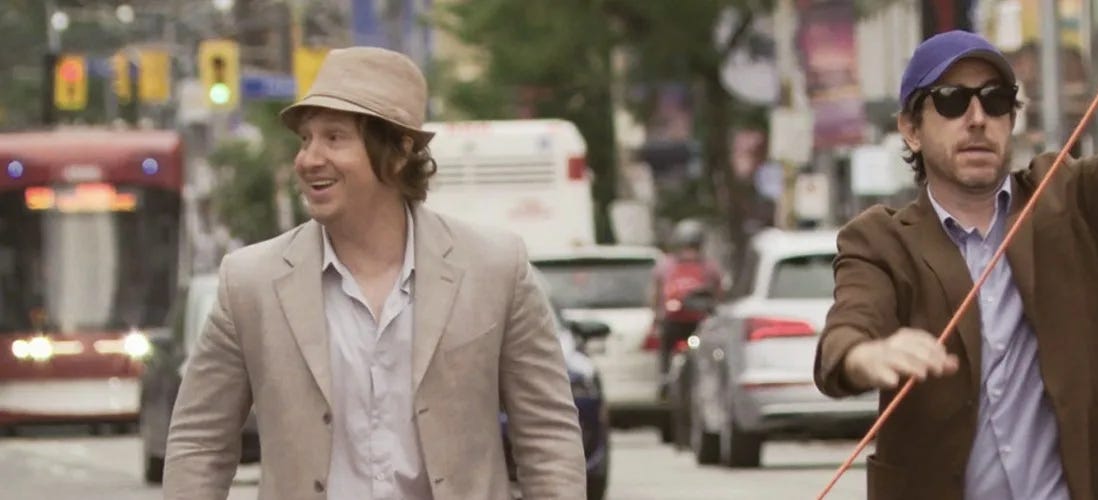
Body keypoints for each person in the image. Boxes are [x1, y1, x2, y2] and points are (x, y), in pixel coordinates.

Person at [163, 47, 585, 500]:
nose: (308, 159)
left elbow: (547, 434)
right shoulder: (250, 282)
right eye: (306, 139)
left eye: (335, 137)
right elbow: (199, 442)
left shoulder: (494, 268)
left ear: (399, 150)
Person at [815, 16, 1098, 500]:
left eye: (995, 100)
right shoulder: (880, 240)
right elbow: (848, 326)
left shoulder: (1072, 199)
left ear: (1011, 120)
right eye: (952, 100)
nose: (977, 118)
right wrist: (864, 354)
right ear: (911, 129)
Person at [650, 219, 723, 378]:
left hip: (699, 323)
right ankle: (664, 376)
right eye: (686, 246)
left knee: (711, 350)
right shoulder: (666, 266)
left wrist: (714, 310)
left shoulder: (709, 267)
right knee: (665, 345)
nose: (689, 252)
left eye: (693, 247)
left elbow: (718, 293)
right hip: (674, 320)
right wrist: (657, 318)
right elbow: (657, 294)